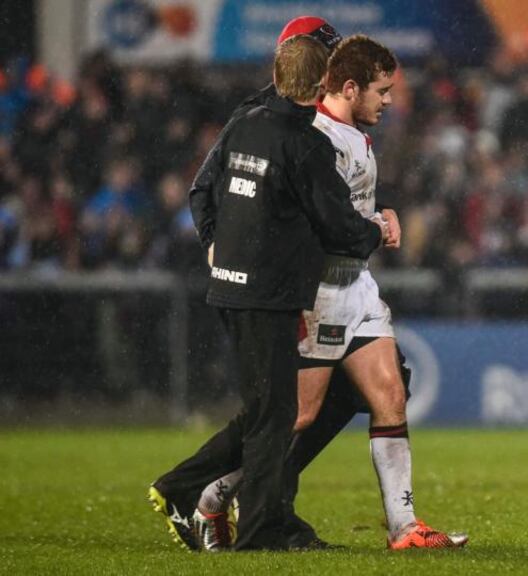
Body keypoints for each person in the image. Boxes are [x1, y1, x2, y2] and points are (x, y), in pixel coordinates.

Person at [193, 35, 468, 551]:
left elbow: (346, 208)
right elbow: (320, 222)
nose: (389, 101)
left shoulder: (353, 133)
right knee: (294, 416)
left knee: (391, 394)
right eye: (382, 91)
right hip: (320, 291)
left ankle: (405, 529)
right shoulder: (313, 138)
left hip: (357, 285)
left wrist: (376, 219)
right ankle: (213, 494)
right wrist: (376, 230)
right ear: (348, 87)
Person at [147, 34, 385, 551]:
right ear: (323, 83)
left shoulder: (246, 124)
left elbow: (204, 189)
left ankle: (205, 497)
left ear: (277, 77)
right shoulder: (306, 144)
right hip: (270, 290)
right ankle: (240, 518)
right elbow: (338, 224)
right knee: (274, 415)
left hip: (231, 286)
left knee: (267, 411)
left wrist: (214, 245)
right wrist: (378, 232)